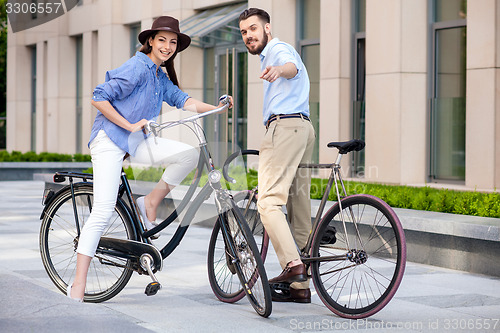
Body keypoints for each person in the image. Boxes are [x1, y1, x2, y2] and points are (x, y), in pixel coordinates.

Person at [67, 16, 232, 301]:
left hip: (135, 141)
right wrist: (129, 125)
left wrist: (216, 109)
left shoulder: (159, 76)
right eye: (162, 40)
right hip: (109, 140)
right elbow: (99, 96)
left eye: (173, 42)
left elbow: (184, 101)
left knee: (188, 155)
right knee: (104, 209)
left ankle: (150, 201)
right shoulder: (137, 67)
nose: (168, 47)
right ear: (151, 41)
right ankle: (78, 286)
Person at [239, 8, 316, 303]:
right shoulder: (271, 52)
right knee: (298, 204)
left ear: (267, 28)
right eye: (244, 32)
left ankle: (293, 266)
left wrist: (278, 70)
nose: (249, 36)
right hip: (303, 128)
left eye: (254, 29)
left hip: (284, 128)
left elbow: (290, 67)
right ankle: (300, 288)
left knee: (268, 201)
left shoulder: (277, 49)